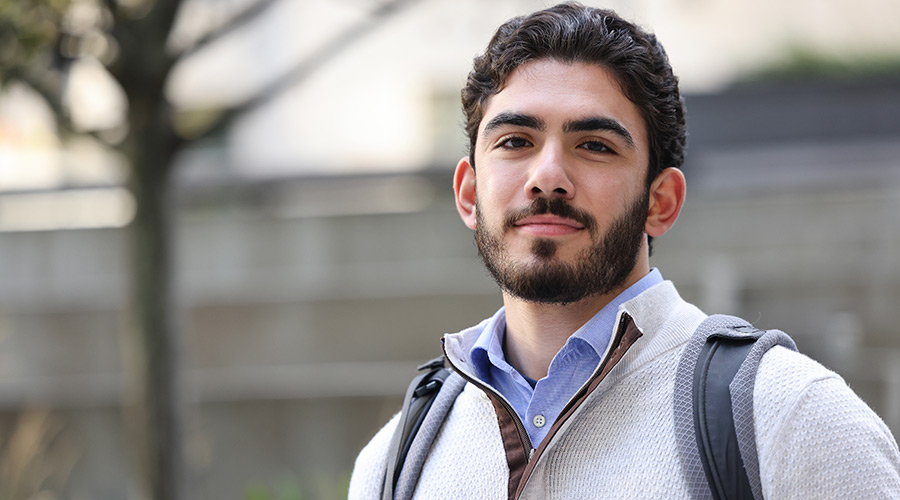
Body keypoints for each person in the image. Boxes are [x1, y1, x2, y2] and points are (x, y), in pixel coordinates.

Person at [349, 3, 900, 499]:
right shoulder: (394, 462)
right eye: (515, 141)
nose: (547, 178)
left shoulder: (790, 420)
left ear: (661, 201)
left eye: (594, 145)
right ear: (469, 194)